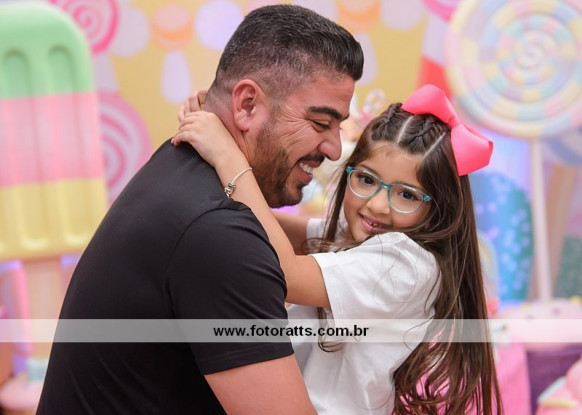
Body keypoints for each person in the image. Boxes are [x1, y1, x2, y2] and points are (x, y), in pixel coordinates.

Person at [37, 5, 363, 414]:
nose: (334, 148)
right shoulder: (218, 233)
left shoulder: (185, 175)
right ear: (246, 105)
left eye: (338, 127)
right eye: (320, 123)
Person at [173, 84, 503, 414]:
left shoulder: (405, 265)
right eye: (367, 180)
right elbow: (278, 230)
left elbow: (288, 273)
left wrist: (226, 157)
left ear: (438, 208)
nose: (378, 206)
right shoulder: (359, 239)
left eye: (407, 195)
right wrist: (223, 125)